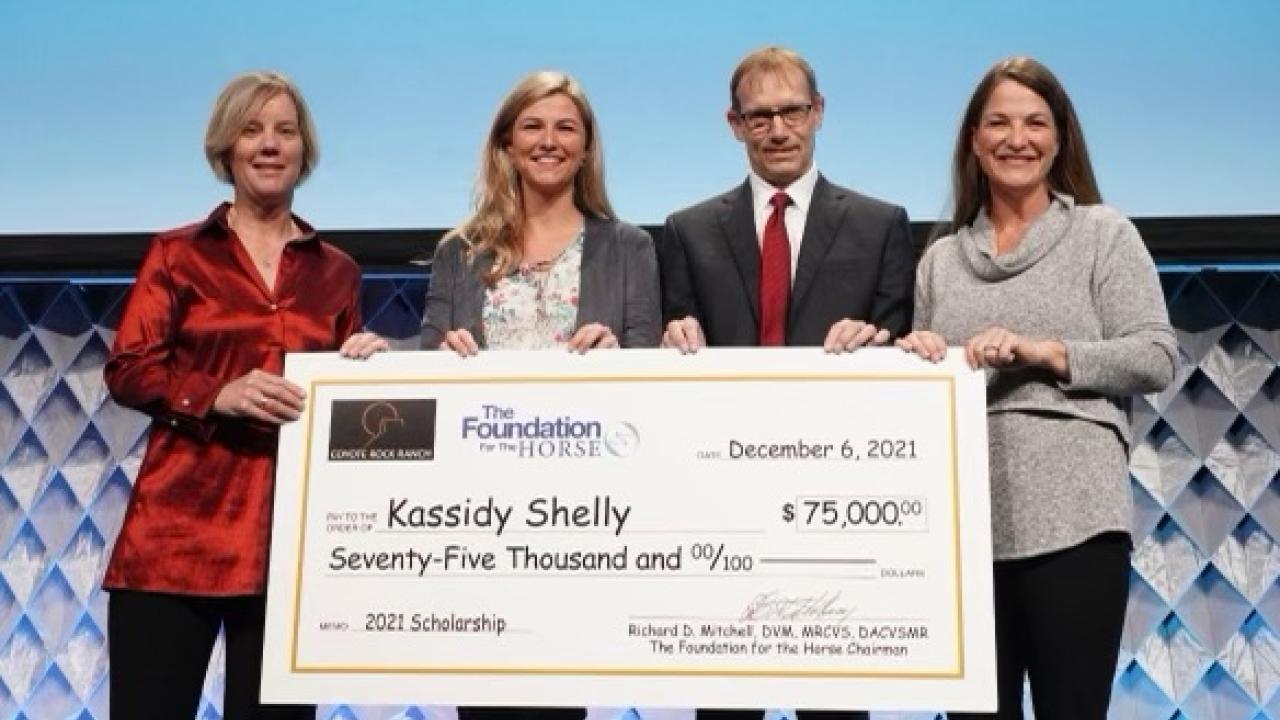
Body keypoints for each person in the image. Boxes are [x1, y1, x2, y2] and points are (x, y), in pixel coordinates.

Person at [897, 56, 1176, 719]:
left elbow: (1155, 355)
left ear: (1059, 138)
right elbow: (929, 398)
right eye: (998, 122)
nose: (1016, 138)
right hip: (964, 532)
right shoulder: (939, 260)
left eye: (1034, 122)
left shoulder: (1102, 234)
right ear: (973, 138)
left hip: (1076, 524)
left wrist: (1044, 352)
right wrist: (920, 354)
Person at [103, 70, 386, 720]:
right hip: (174, 541)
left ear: (302, 151)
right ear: (225, 148)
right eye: (252, 130)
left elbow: (341, 412)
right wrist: (215, 394)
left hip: (288, 548)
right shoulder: (177, 254)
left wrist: (364, 371)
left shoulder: (337, 271)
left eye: (285, 131)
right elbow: (129, 368)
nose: (269, 144)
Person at [420, 70, 660, 720]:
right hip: (478, 520)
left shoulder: (629, 247)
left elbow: (654, 376)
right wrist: (419, 361)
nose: (548, 141)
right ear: (506, 144)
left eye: (565, 127)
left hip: (581, 519)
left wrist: (621, 358)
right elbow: (425, 367)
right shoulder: (458, 253)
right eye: (532, 126)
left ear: (586, 148)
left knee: (561, 696)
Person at [658, 46, 914, 357]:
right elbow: (677, 351)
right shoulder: (688, 233)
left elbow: (896, 350)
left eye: (793, 112)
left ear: (817, 111)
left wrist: (875, 342)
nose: (779, 132)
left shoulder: (880, 228)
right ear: (735, 123)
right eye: (760, 117)